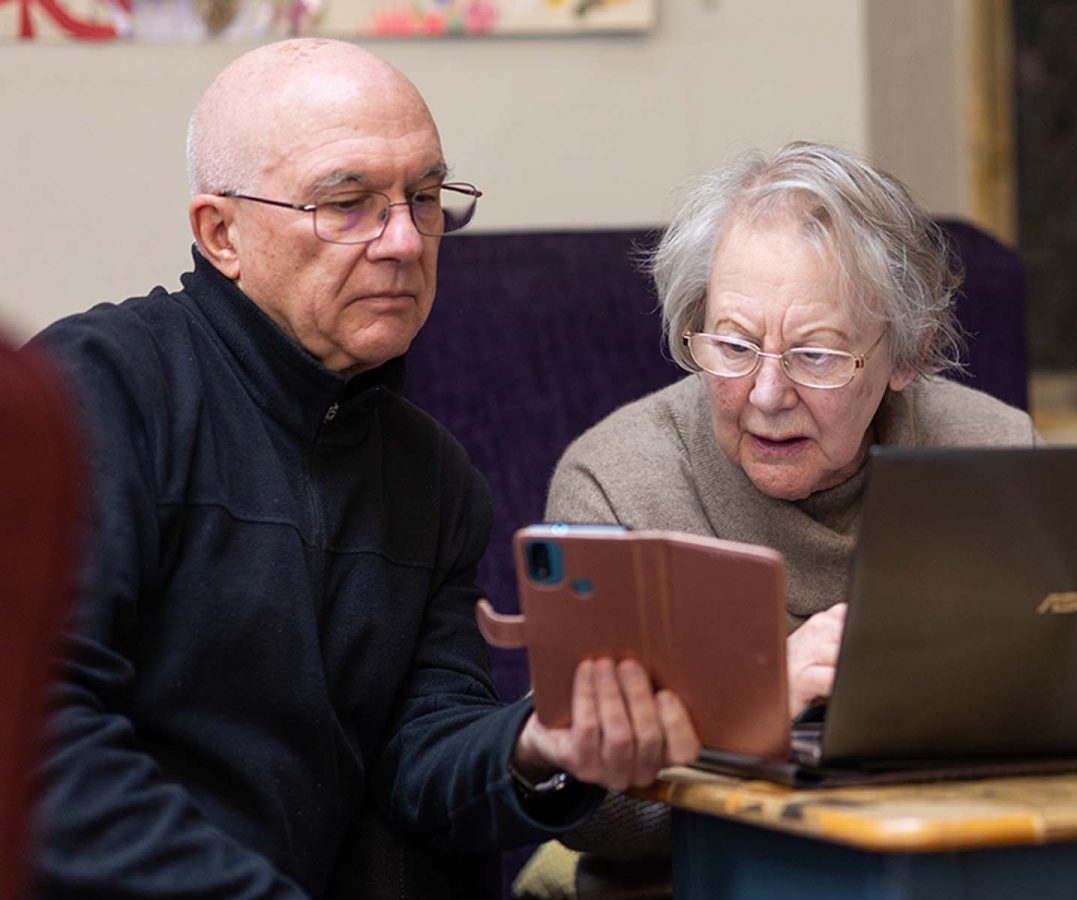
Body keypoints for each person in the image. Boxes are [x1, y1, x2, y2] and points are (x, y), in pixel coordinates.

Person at [28, 38, 698, 899]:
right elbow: (44, 750)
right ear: (220, 233)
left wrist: (543, 748)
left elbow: (425, 756)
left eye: (423, 198)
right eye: (347, 203)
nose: (403, 242)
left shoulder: (435, 476)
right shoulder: (100, 392)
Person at [520, 141, 1041, 897]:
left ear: (907, 355)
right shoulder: (616, 486)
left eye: (817, 355)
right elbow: (589, 813)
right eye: (732, 345)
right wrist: (754, 710)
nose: (765, 393)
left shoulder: (998, 460)